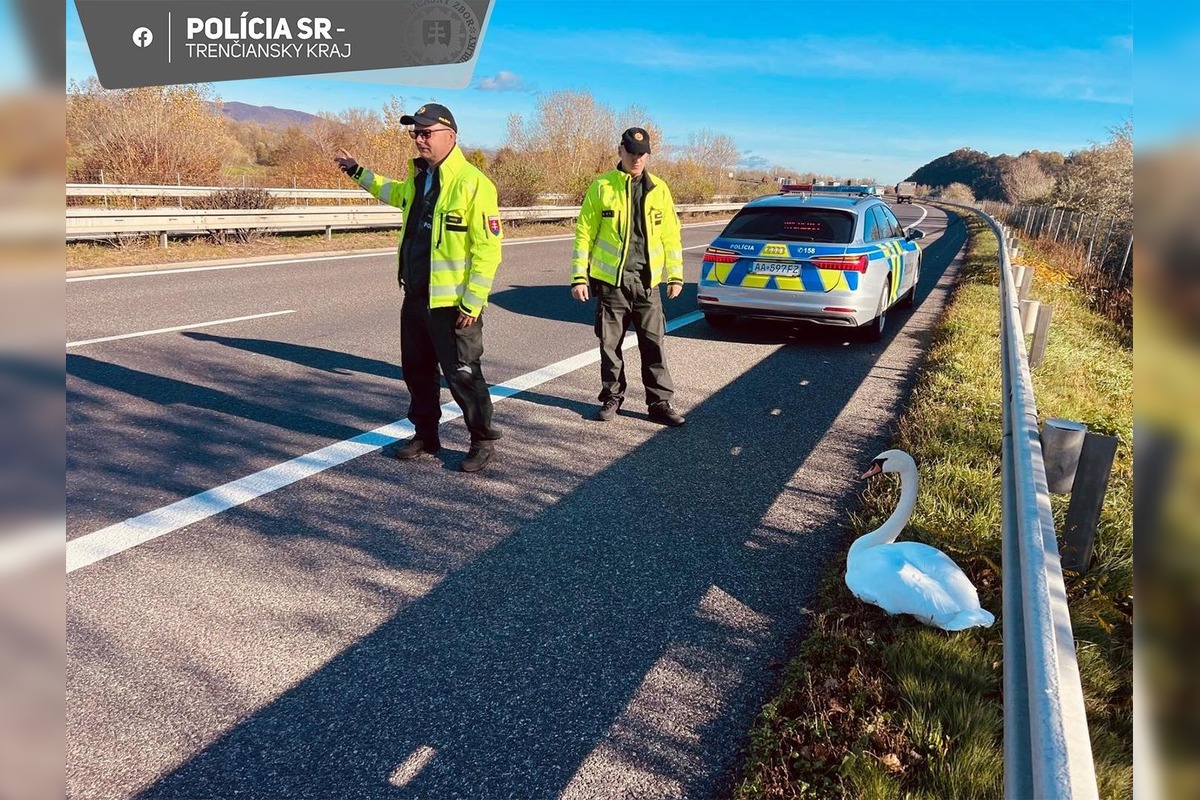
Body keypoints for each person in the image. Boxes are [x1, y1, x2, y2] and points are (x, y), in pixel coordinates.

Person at [334, 103, 503, 472]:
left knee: (463, 373)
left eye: (427, 133)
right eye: (416, 133)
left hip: (454, 305)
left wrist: (472, 303)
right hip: (415, 296)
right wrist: (357, 172)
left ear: (451, 137)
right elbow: (391, 192)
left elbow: (488, 252)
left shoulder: (474, 185)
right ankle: (427, 434)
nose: (419, 140)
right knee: (417, 370)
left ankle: (483, 439)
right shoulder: (419, 179)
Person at [571, 127, 686, 426]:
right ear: (620, 150)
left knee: (654, 344)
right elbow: (584, 235)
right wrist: (579, 277)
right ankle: (612, 396)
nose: (637, 159)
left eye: (642, 154)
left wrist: (675, 275)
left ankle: (659, 402)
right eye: (632, 153)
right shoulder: (601, 187)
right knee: (610, 345)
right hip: (612, 284)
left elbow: (671, 237)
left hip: (647, 284)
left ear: (648, 155)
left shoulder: (660, 189)